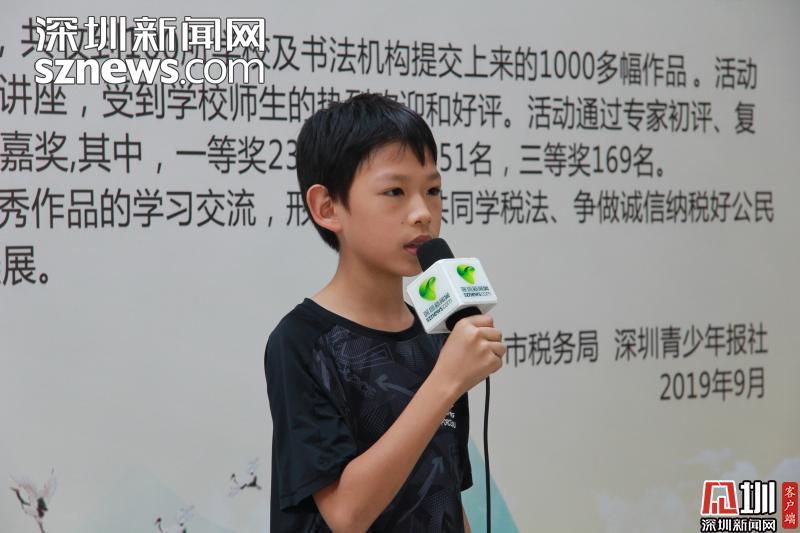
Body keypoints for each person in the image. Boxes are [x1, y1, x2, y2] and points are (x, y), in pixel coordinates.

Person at [264, 93, 506, 532]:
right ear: (327, 208)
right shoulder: (301, 342)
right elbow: (346, 514)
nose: (422, 214)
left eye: (432, 191)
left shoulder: (437, 333)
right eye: (395, 191)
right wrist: (446, 381)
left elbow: (444, 492)